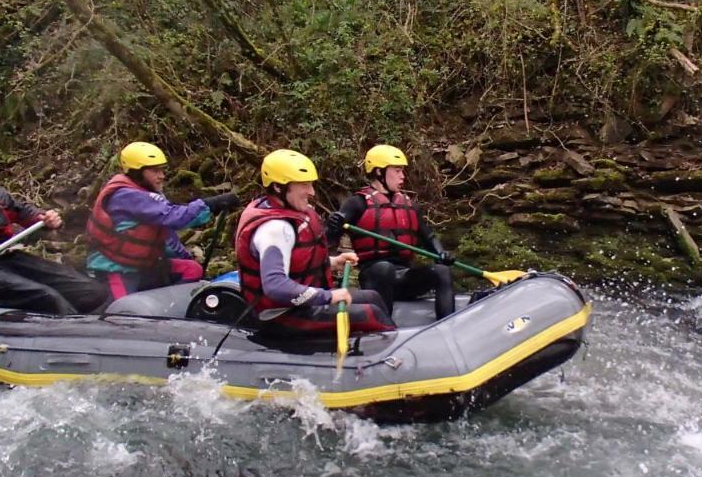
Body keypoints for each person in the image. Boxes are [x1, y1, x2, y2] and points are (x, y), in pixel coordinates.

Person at [0, 126, 108, 314]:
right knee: (48, 299)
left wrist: (43, 218)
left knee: (91, 291)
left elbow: (19, 210)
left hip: (6, 257)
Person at [234, 148, 395, 337]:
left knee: (372, 297)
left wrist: (333, 262)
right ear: (279, 187)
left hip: (302, 304)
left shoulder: (285, 211)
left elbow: (297, 263)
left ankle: (389, 342)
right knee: (371, 314)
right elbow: (275, 285)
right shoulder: (274, 229)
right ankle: (395, 355)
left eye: (310, 184)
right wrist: (329, 296)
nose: (311, 191)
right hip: (280, 315)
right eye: (304, 185)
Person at [86, 141, 239, 298]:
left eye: (161, 170)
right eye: (154, 171)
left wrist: (186, 257)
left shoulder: (146, 192)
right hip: (115, 267)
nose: (162, 176)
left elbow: (168, 238)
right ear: (137, 172)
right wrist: (210, 204)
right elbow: (175, 218)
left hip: (142, 265)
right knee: (120, 312)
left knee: (192, 270)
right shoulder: (127, 195)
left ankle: (174, 311)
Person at [328, 144, 456, 320]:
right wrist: (334, 225)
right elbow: (328, 239)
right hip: (375, 278)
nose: (403, 176)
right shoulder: (357, 202)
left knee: (441, 271)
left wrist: (441, 253)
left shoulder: (409, 204)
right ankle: (385, 326)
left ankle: (449, 323)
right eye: (397, 171)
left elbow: (429, 236)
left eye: (402, 171)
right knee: (384, 268)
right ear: (379, 172)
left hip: (404, 278)